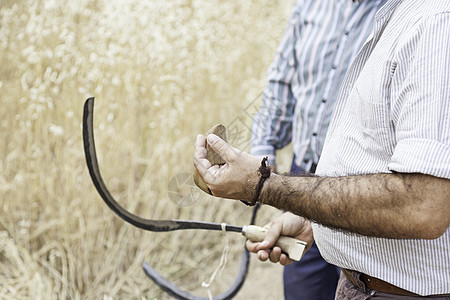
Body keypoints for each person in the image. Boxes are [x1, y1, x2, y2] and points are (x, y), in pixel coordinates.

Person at [194, 0, 450, 298]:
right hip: (320, 201)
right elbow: (282, 83)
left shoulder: (434, 22)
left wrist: (262, 183)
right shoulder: (390, 12)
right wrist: (310, 219)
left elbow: (423, 207)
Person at [250, 0, 386, 298]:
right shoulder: (310, 5)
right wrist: (261, 156)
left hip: (365, 194)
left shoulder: (399, 12)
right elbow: (281, 82)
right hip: (303, 180)